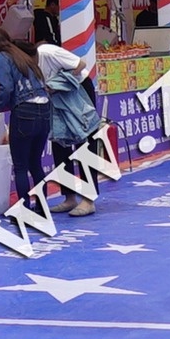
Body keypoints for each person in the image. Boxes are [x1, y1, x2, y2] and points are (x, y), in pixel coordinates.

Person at [0, 28, 51, 207]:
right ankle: (42, 206)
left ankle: (24, 209)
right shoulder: (21, 55)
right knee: (35, 164)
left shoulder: (0, 57)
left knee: (21, 166)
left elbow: (6, 88)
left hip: (24, 113)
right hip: (44, 109)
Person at [36, 39, 100, 216]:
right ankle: (69, 197)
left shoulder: (47, 52)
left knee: (85, 144)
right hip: (56, 96)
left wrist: (58, 83)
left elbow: (80, 64)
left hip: (78, 91)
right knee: (59, 142)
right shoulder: (25, 67)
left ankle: (88, 199)